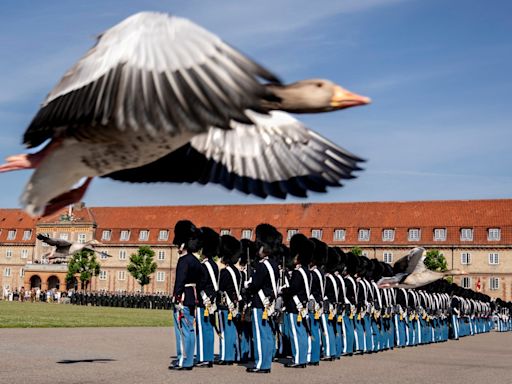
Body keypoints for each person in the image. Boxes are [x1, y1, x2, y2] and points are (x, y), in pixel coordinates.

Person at [245, 224, 281, 373]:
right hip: (269, 303)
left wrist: (248, 285)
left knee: (260, 334)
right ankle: (266, 362)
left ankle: (261, 364)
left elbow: (255, 285)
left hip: (260, 304)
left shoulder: (261, 266)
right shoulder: (274, 265)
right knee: (267, 334)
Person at [169, 220, 204, 371]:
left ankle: (183, 360)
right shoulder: (196, 261)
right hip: (192, 296)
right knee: (190, 330)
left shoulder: (184, 260)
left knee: (182, 330)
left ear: (183, 244)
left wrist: (176, 296)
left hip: (182, 297)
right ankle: (189, 359)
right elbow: (202, 280)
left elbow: (180, 280)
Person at [282, 234, 313, 368]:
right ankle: (303, 358)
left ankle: (298, 359)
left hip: (295, 306)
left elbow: (293, 289)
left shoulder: (297, 272)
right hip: (302, 306)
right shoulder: (307, 272)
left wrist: (283, 291)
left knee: (295, 334)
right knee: (302, 333)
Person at [195, 226, 220, 368]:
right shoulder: (214, 265)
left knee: (203, 329)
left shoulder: (204, 266)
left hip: (204, 302)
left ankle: (203, 358)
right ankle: (208, 357)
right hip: (211, 301)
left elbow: (201, 284)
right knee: (209, 329)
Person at [217, 235, 243, 365]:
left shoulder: (225, 272)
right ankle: (235, 355)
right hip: (235, 304)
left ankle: (226, 357)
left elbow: (220, 288)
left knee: (225, 330)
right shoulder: (238, 272)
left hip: (225, 304)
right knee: (233, 330)